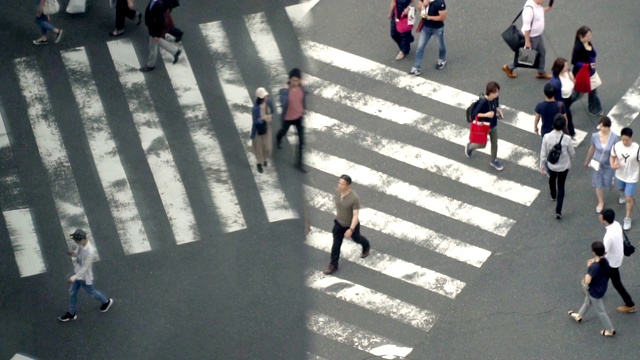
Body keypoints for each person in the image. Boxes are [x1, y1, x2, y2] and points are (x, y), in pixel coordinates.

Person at [58, 229, 113, 322]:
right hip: (78, 274)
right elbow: (78, 254)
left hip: (83, 277)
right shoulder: (81, 245)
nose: (76, 242)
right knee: (73, 292)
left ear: (81, 240)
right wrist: (73, 254)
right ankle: (71, 313)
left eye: (76, 241)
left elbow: (85, 268)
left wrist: (73, 278)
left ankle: (106, 301)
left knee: (91, 292)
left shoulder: (90, 252)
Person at [324, 175, 371, 275]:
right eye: (339, 183)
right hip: (339, 224)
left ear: (348, 186)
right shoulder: (337, 192)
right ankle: (333, 265)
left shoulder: (354, 198)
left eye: (342, 184)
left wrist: (351, 229)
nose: (339, 186)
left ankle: (366, 246)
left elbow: (355, 215)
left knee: (357, 239)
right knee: (336, 244)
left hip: (351, 225)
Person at [567, 241, 615, 337]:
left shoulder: (594, 267)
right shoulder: (605, 261)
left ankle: (610, 330)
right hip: (602, 287)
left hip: (594, 291)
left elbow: (587, 280)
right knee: (587, 301)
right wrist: (593, 262)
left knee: (601, 311)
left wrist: (585, 282)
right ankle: (579, 315)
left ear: (593, 252)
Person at [502, 0, 552, 79]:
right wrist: (527, 42)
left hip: (537, 36)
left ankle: (541, 72)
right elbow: (526, 27)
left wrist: (547, 8)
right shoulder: (529, 9)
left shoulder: (537, 5)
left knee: (542, 52)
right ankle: (509, 67)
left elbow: (538, 12)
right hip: (531, 37)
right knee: (526, 58)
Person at [599, 209, 637, 313]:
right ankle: (596, 291)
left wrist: (595, 260)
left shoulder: (608, 237)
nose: (599, 216)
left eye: (600, 215)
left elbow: (604, 252)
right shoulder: (616, 224)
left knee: (616, 283)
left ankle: (630, 304)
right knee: (606, 276)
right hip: (617, 257)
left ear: (603, 219)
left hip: (611, 261)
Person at [540, 115, 575, 219]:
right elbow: (572, 153)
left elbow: (543, 152)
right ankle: (558, 210)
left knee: (552, 179)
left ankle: (553, 195)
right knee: (561, 186)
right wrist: (571, 160)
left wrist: (542, 165)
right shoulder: (567, 139)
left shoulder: (546, 137)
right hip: (564, 166)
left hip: (552, 165)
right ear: (564, 126)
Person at [465, 81, 505, 171]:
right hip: (484, 126)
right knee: (482, 144)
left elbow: (495, 107)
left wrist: (498, 111)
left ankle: (493, 160)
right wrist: (486, 115)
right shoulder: (483, 102)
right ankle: (470, 147)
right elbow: (476, 114)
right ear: (490, 92)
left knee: (495, 143)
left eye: (498, 91)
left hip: (493, 124)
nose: (497, 94)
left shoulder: (495, 99)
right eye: (495, 92)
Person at [584, 117, 619, 213]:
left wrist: (616, 161)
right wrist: (587, 160)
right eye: (601, 126)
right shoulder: (595, 136)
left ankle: (610, 181)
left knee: (607, 182)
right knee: (598, 183)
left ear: (608, 127)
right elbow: (592, 148)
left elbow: (617, 151)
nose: (601, 128)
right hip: (597, 163)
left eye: (604, 126)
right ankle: (601, 202)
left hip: (609, 163)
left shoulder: (614, 138)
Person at [276, 68, 307, 173]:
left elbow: (303, 97)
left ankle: (299, 163)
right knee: (283, 132)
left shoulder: (301, 88)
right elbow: (283, 103)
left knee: (301, 141)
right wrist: (285, 91)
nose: (295, 82)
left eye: (297, 80)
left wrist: (303, 109)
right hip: (288, 118)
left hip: (298, 117)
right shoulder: (285, 91)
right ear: (289, 80)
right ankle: (278, 138)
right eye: (293, 80)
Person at [610, 127, 640, 230]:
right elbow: (612, 156)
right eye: (623, 139)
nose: (625, 142)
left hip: (632, 177)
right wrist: (612, 164)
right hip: (620, 174)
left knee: (629, 198)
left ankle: (627, 218)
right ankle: (622, 193)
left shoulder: (637, 149)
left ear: (631, 138)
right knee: (621, 189)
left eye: (627, 140)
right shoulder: (617, 146)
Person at [139, 0, 181, 72]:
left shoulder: (158, 5)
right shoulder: (157, 2)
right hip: (152, 26)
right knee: (156, 41)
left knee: (153, 47)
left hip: (154, 28)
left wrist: (158, 35)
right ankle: (175, 51)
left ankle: (150, 65)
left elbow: (160, 21)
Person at [571, 26, 603, 116]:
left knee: (593, 90)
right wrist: (588, 66)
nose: (590, 37)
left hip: (590, 72)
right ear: (581, 37)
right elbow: (575, 62)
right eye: (588, 36)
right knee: (578, 94)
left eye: (590, 35)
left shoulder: (588, 43)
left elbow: (594, 54)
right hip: (582, 74)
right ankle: (564, 104)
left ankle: (594, 108)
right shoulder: (578, 48)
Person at [409, 0, 447, 75]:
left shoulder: (440, 2)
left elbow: (442, 17)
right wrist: (424, 5)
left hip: (437, 28)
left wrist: (429, 17)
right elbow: (419, 8)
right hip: (425, 27)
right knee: (420, 47)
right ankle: (417, 67)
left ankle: (442, 59)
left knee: (441, 45)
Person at [549, 58, 578, 139]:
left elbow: (573, 81)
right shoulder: (556, 81)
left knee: (568, 114)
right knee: (568, 116)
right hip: (562, 101)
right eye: (565, 66)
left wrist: (572, 78)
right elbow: (554, 95)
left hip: (568, 97)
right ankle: (571, 134)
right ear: (560, 68)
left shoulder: (567, 72)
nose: (568, 67)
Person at [251, 87, 274, 173]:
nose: (266, 98)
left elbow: (272, 111)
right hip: (258, 130)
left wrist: (270, 116)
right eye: (264, 97)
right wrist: (263, 118)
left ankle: (264, 158)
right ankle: (259, 162)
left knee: (268, 148)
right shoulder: (255, 109)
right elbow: (255, 121)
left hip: (267, 128)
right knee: (258, 147)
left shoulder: (269, 102)